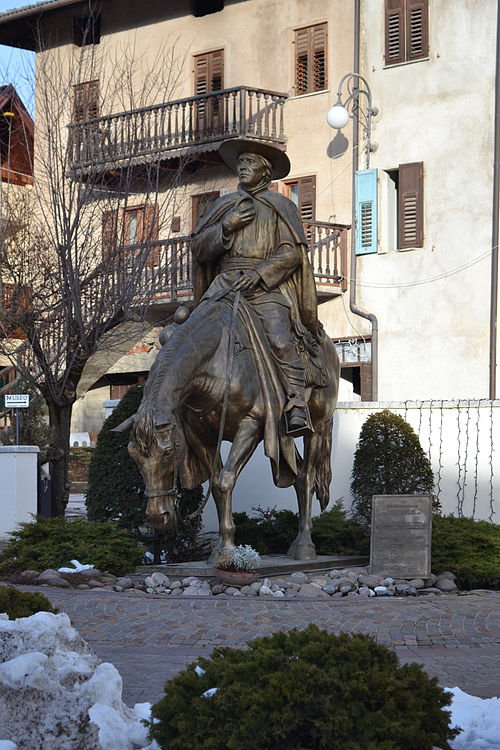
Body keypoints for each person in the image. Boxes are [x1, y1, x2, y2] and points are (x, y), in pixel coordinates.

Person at [191, 138, 320, 436]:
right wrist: (225, 227)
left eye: (250, 164)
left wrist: (261, 273)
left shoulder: (281, 206)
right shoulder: (223, 206)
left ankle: (296, 403)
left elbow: (290, 252)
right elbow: (199, 249)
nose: (244, 168)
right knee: (189, 335)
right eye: (241, 164)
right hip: (224, 285)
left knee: (280, 337)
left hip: (264, 288)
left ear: (266, 172)